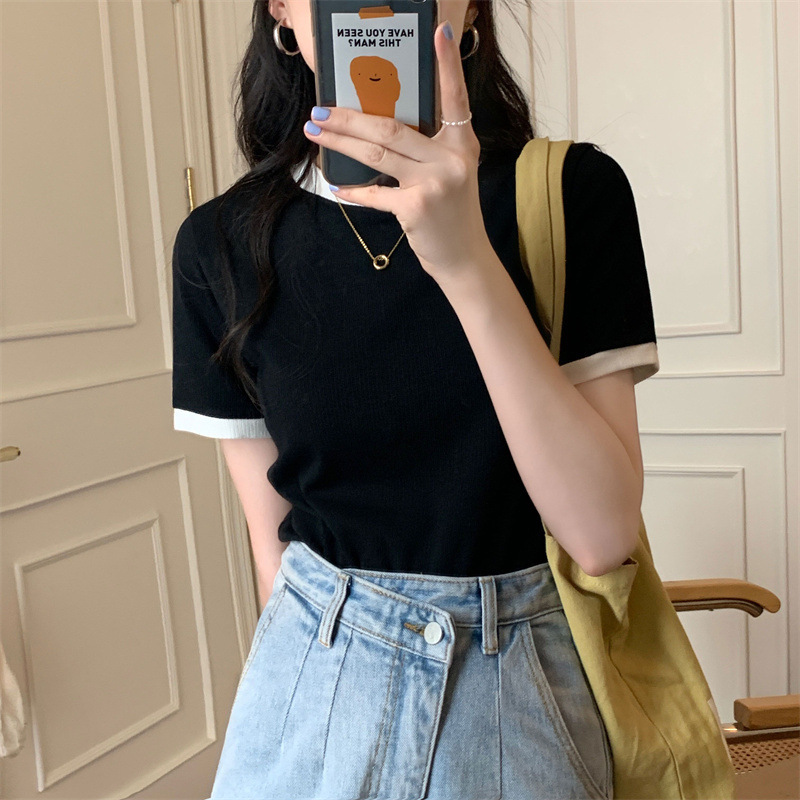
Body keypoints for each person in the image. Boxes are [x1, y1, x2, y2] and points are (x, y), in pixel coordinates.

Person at [171, 1, 660, 797]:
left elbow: (602, 538)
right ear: (283, 13)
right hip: (310, 684)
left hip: (518, 691)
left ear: (469, 12)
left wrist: (465, 261)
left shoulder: (571, 195)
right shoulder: (219, 243)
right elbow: (273, 547)